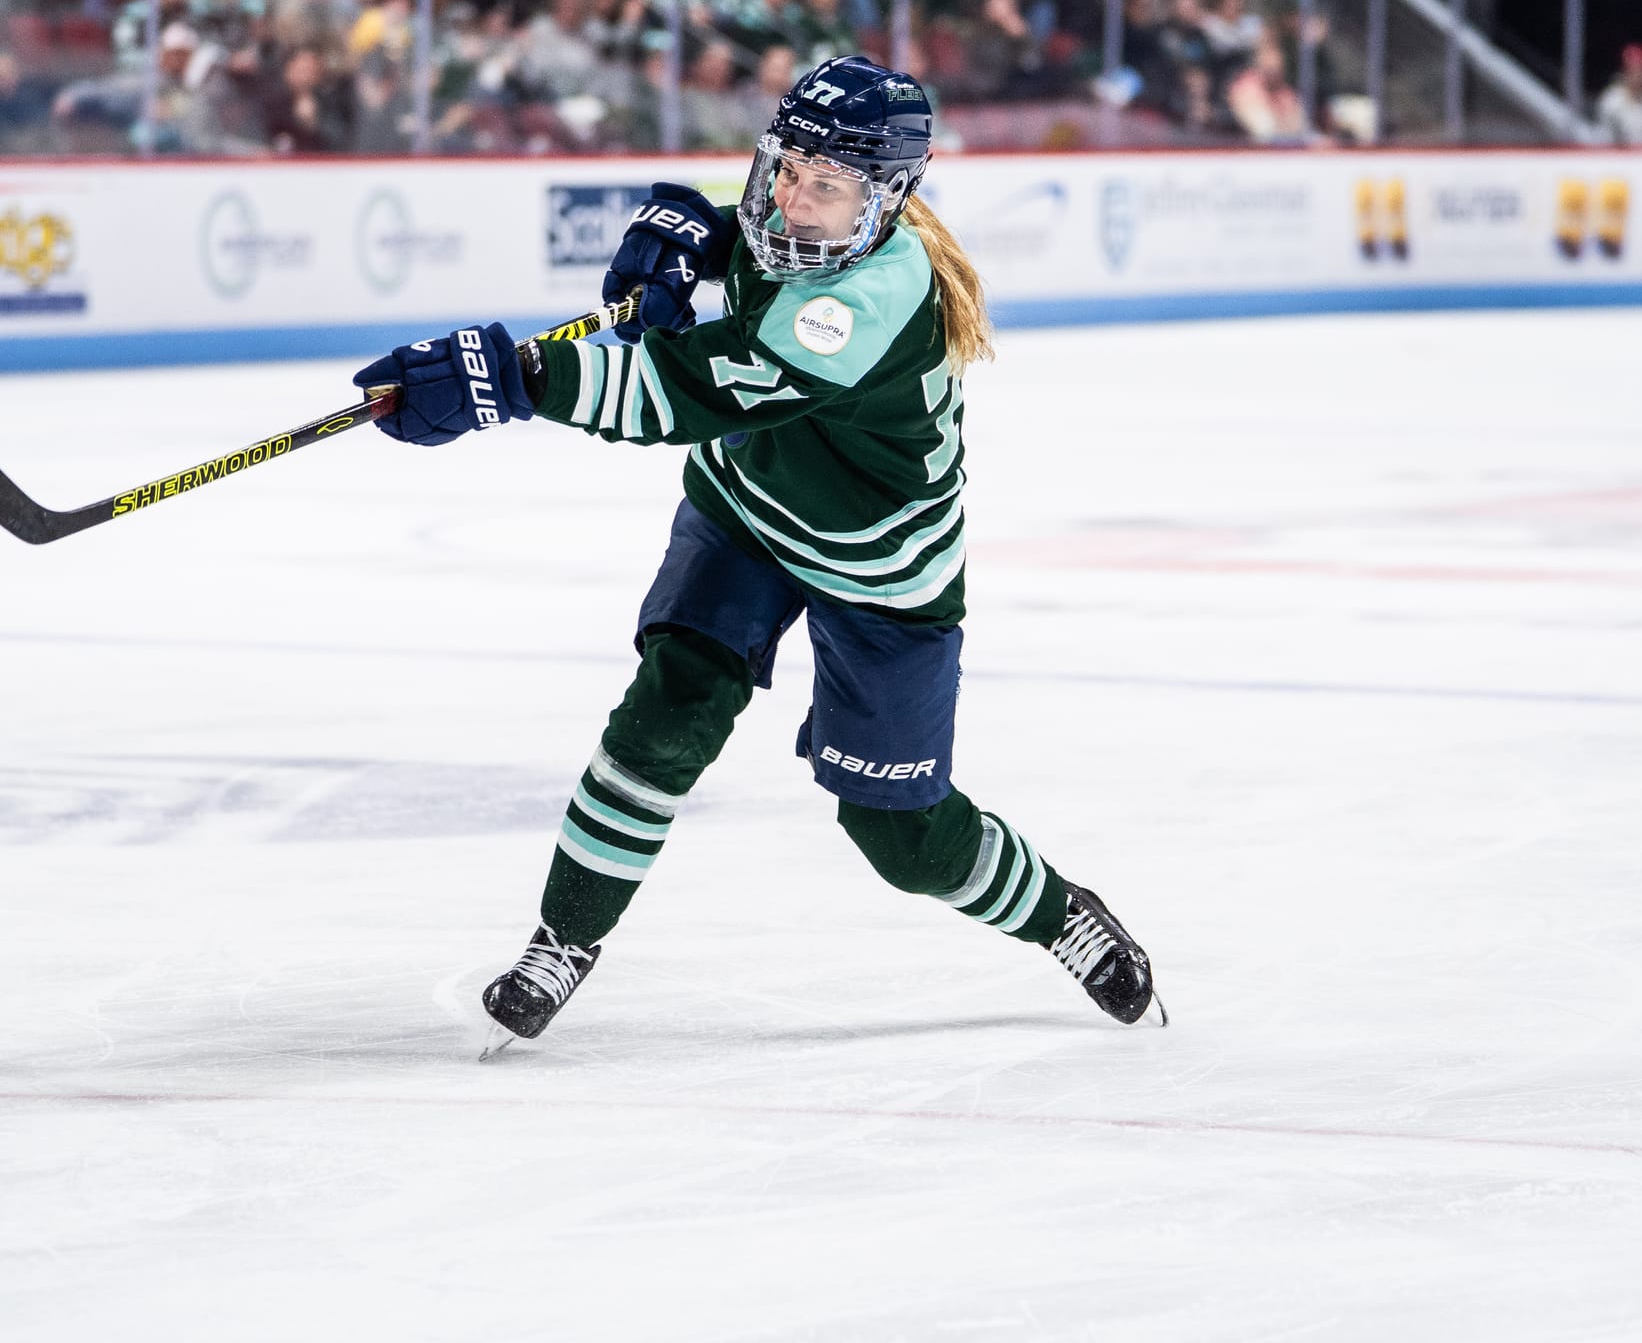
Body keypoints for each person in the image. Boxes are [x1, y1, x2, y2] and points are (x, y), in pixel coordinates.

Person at [350, 56, 1167, 1051]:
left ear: (889, 199)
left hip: (878, 569)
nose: (792, 199)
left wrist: (514, 380)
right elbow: (730, 242)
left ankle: (1059, 914)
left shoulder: (864, 302)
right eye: (787, 167)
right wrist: (685, 227)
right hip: (746, 509)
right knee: (665, 713)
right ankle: (563, 940)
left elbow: (691, 392)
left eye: (827, 186)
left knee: (899, 835)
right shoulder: (799, 226)